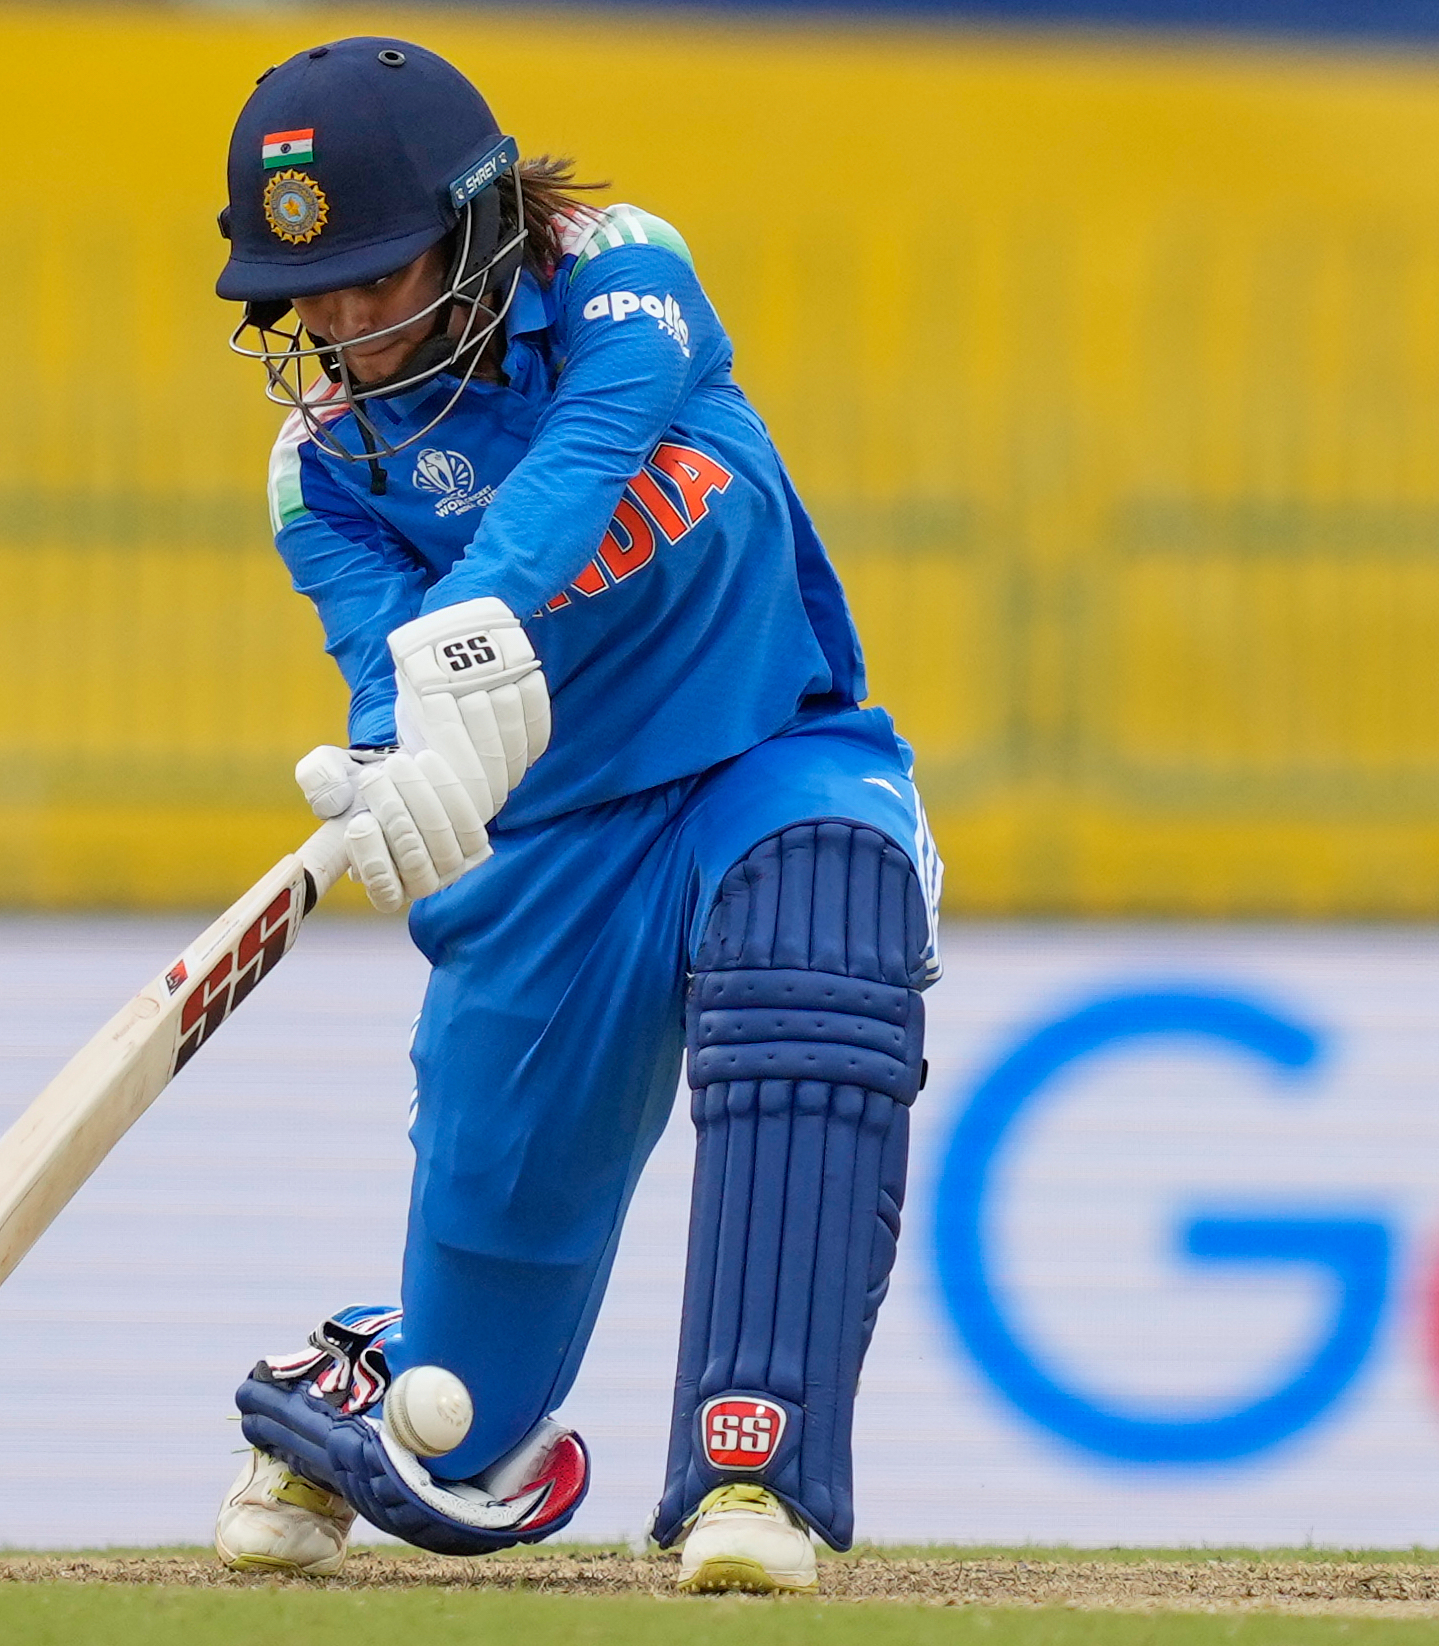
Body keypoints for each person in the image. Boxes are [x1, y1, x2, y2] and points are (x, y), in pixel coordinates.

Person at [207, 38, 942, 1593]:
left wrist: (457, 640)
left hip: (769, 750)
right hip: (551, 855)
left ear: (476, 228)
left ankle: (756, 1474)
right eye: (306, 289)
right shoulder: (319, 471)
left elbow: (585, 465)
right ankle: (357, 1372)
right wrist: (402, 768)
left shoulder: (624, 278)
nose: (337, 319)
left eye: (370, 270)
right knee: (462, 1429)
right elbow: (381, 674)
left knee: (824, 939)